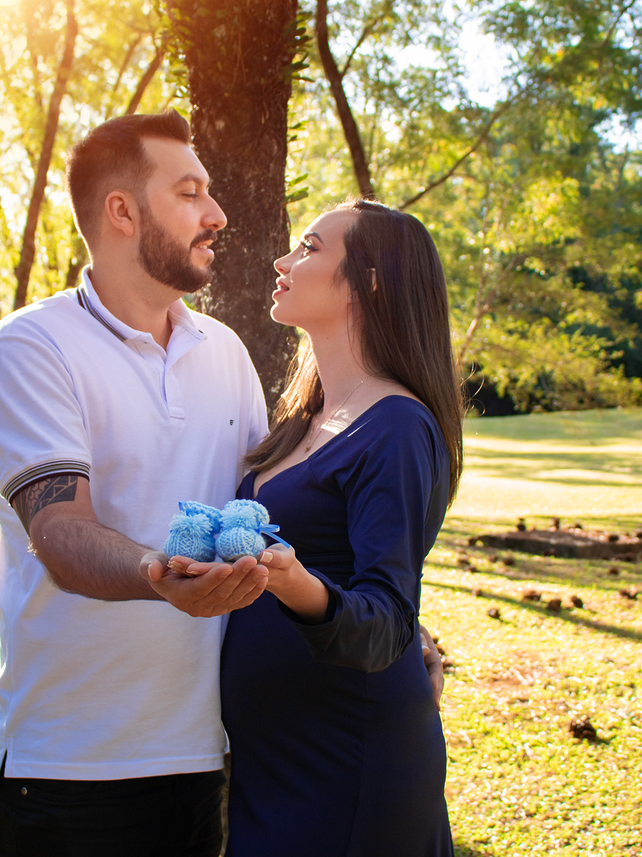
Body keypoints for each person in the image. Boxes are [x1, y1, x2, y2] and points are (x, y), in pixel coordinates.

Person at [0, 111, 271, 857]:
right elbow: (60, 531)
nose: (216, 214)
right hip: (67, 769)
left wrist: (391, 633)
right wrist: (160, 574)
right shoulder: (30, 347)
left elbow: (268, 516)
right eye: (190, 193)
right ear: (123, 212)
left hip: (200, 754)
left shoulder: (227, 352)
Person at [214, 199, 464, 856]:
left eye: (310, 247)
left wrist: (291, 580)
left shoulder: (398, 426)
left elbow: (387, 614)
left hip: (349, 756)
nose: (283, 260)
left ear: (369, 281)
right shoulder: (303, 416)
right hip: (273, 755)